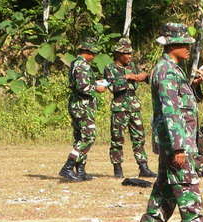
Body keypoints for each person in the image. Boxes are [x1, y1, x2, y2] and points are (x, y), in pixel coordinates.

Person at [137, 23, 203, 222]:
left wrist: (195, 86)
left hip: (177, 141)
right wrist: (178, 148)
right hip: (175, 143)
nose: (189, 48)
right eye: (184, 44)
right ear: (172, 45)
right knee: (187, 187)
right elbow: (171, 111)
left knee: (166, 188)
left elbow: (186, 104)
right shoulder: (166, 71)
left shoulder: (174, 70)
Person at [103, 37, 156, 179]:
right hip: (119, 106)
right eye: (127, 54)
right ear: (119, 54)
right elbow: (112, 86)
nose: (130, 56)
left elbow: (146, 78)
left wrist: (143, 76)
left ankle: (143, 167)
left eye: (131, 54)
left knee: (139, 138)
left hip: (134, 105)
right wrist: (129, 77)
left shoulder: (132, 66)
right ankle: (117, 168)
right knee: (117, 139)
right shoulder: (110, 68)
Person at [58, 38, 106, 182]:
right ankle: (67, 167)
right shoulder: (82, 66)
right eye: (93, 53)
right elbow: (82, 87)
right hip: (82, 106)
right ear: (87, 52)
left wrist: (94, 82)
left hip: (78, 105)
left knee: (80, 137)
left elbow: (81, 83)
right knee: (88, 137)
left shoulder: (76, 63)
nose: (94, 56)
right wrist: (97, 87)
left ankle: (80, 171)